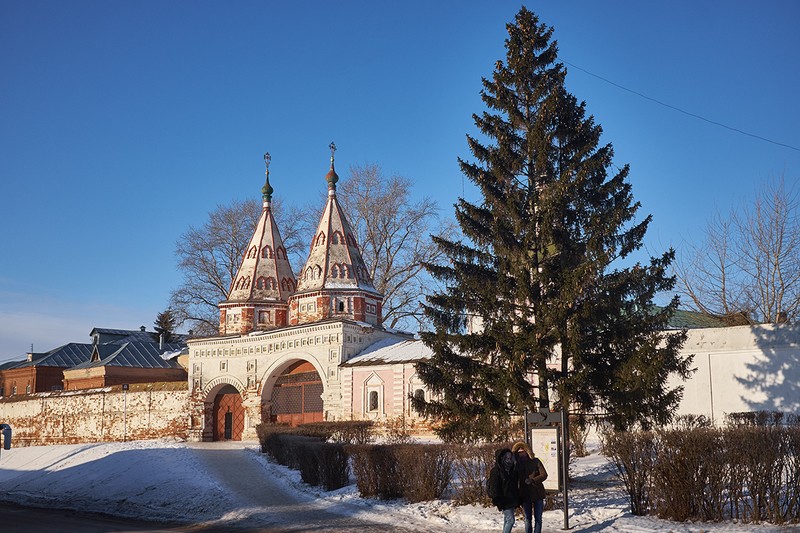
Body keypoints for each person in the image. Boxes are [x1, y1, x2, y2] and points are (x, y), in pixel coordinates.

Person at [512, 441, 548, 533]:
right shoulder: (516, 465)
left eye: (523, 451)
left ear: (527, 451)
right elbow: (513, 479)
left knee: (538, 518)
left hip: (537, 493)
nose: (521, 454)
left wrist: (533, 480)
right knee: (527, 518)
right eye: (519, 453)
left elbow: (544, 475)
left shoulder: (535, 461)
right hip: (525, 494)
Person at [487, 447, 520, 533]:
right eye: (507, 458)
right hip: (503, 499)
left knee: (507, 519)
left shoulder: (512, 470)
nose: (509, 460)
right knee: (511, 520)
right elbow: (494, 486)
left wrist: (518, 498)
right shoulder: (496, 471)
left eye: (510, 458)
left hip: (512, 499)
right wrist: (497, 499)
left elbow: (515, 486)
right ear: (502, 459)